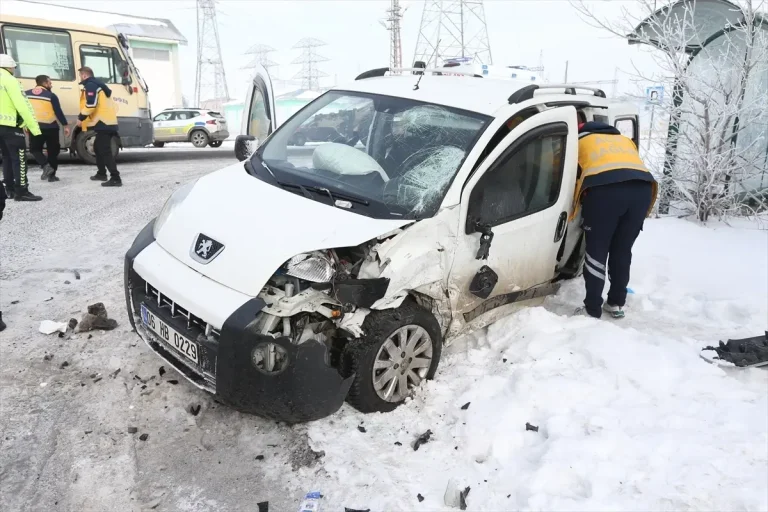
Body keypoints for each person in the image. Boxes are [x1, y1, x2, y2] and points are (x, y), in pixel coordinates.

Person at [572, 120, 658, 319]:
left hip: (606, 192)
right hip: (643, 190)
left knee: (597, 251)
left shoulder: (579, 141)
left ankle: (592, 309)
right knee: (622, 249)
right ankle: (616, 303)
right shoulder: (624, 140)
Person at [0, 54, 43, 201]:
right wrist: (34, 129)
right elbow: (23, 105)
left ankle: (9, 189)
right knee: (19, 159)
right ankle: (21, 191)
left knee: (6, 157)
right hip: (11, 126)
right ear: (10, 67)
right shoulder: (11, 80)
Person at [76, 66, 121, 187]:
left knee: (104, 150)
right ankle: (101, 173)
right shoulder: (99, 84)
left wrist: (81, 117)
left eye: (80, 76)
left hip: (103, 122)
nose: (80, 78)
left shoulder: (91, 85)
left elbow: (91, 104)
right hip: (107, 121)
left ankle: (115, 178)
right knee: (97, 147)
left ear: (84, 75)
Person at [26, 75, 70, 182]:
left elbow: (23, 111)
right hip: (51, 127)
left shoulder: (26, 94)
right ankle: (52, 176)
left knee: (35, 149)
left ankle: (45, 166)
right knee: (52, 151)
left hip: (35, 127)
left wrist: (25, 125)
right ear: (45, 83)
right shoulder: (51, 96)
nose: (51, 85)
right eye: (50, 83)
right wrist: (65, 125)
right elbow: (58, 112)